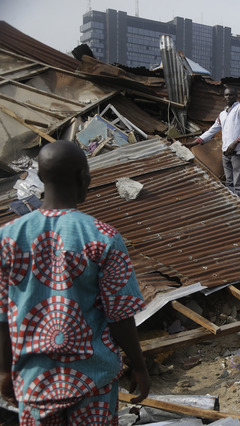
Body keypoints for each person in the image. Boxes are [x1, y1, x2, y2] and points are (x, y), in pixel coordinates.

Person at [0, 141, 149, 424]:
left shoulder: (7, 238)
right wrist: (139, 367)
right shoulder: (102, 236)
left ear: (42, 178)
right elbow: (120, 315)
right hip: (93, 383)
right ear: (84, 178)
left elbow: (2, 316)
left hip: (35, 383)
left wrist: (4, 371)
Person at [184, 86, 240, 199]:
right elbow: (212, 130)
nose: (228, 97)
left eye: (230, 95)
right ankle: (233, 204)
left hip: (238, 152)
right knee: (229, 182)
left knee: (239, 182)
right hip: (226, 152)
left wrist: (235, 143)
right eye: (226, 95)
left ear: (236, 96)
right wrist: (195, 143)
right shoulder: (223, 114)